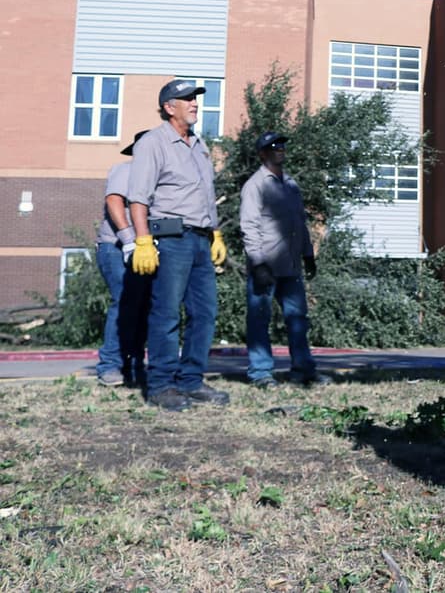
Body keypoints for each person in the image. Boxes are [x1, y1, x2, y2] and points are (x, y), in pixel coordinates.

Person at [127, 79, 229, 412]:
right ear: (170, 107)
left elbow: (205, 195)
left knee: (204, 313)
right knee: (167, 313)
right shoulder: (153, 143)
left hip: (201, 239)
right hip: (171, 240)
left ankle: (191, 381)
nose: (195, 103)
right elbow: (138, 198)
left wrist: (215, 234)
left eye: (195, 98)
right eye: (187, 99)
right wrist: (142, 240)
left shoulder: (198, 144)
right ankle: (161, 385)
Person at [240, 131, 328, 388]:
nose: (280, 149)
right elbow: (249, 226)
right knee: (259, 319)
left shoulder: (290, 184)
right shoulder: (255, 185)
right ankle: (260, 373)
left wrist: (308, 254)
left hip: (290, 265)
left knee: (298, 318)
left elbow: (300, 222)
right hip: (266, 265)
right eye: (273, 146)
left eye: (282, 145)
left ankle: (303, 369)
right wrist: (257, 263)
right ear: (262, 153)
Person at [93, 130, 152, 388]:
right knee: (125, 301)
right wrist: (129, 239)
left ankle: (133, 365)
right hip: (115, 248)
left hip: (141, 249)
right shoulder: (126, 170)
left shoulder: (154, 179)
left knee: (142, 306)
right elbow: (114, 201)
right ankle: (110, 365)